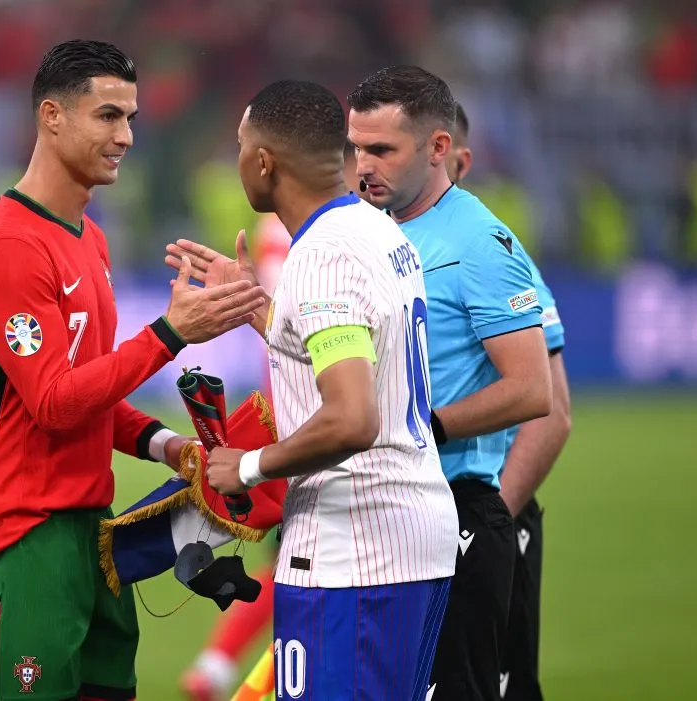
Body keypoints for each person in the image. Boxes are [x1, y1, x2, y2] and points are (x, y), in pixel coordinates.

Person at [0, 39, 267, 701]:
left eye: (131, 119)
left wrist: (170, 447)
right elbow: (57, 402)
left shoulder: (88, 238)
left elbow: (95, 390)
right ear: (51, 117)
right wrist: (172, 333)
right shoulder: (7, 247)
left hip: (94, 534)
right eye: (108, 116)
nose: (125, 136)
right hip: (23, 538)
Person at [167, 79, 458, 701]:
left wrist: (244, 466)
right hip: (408, 541)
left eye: (242, 146)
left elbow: (353, 417)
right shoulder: (375, 229)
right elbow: (352, 350)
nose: (238, 157)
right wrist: (260, 310)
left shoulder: (321, 257)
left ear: (264, 162)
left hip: (355, 555)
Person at [347, 65, 553, 701]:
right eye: (355, 147)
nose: (363, 165)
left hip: (454, 511)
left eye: (382, 149)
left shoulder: (480, 243)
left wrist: (421, 428)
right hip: (380, 510)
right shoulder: (367, 228)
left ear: (439, 148)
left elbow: (532, 391)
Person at [179, 144, 362, 701]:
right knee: (305, 563)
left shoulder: (273, 226)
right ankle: (229, 671)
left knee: (293, 557)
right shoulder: (347, 230)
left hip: (285, 393)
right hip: (324, 400)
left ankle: (218, 663)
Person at [448, 102, 573, 701]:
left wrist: (487, 521)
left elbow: (552, 413)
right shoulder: (383, 254)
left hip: (483, 515)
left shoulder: (493, 253)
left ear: (456, 159)